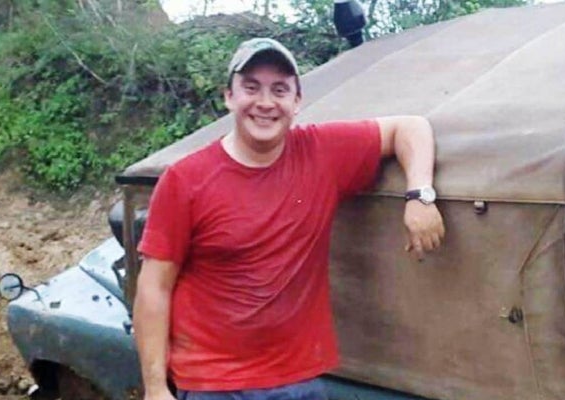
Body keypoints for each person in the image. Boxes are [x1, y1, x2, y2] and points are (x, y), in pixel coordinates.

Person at [133, 37, 445, 400]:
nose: (266, 102)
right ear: (229, 96)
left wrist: (420, 194)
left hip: (299, 380)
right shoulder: (185, 179)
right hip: (213, 384)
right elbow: (154, 288)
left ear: (297, 102)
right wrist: (155, 388)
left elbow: (411, 127)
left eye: (279, 90)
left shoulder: (322, 153)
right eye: (252, 88)